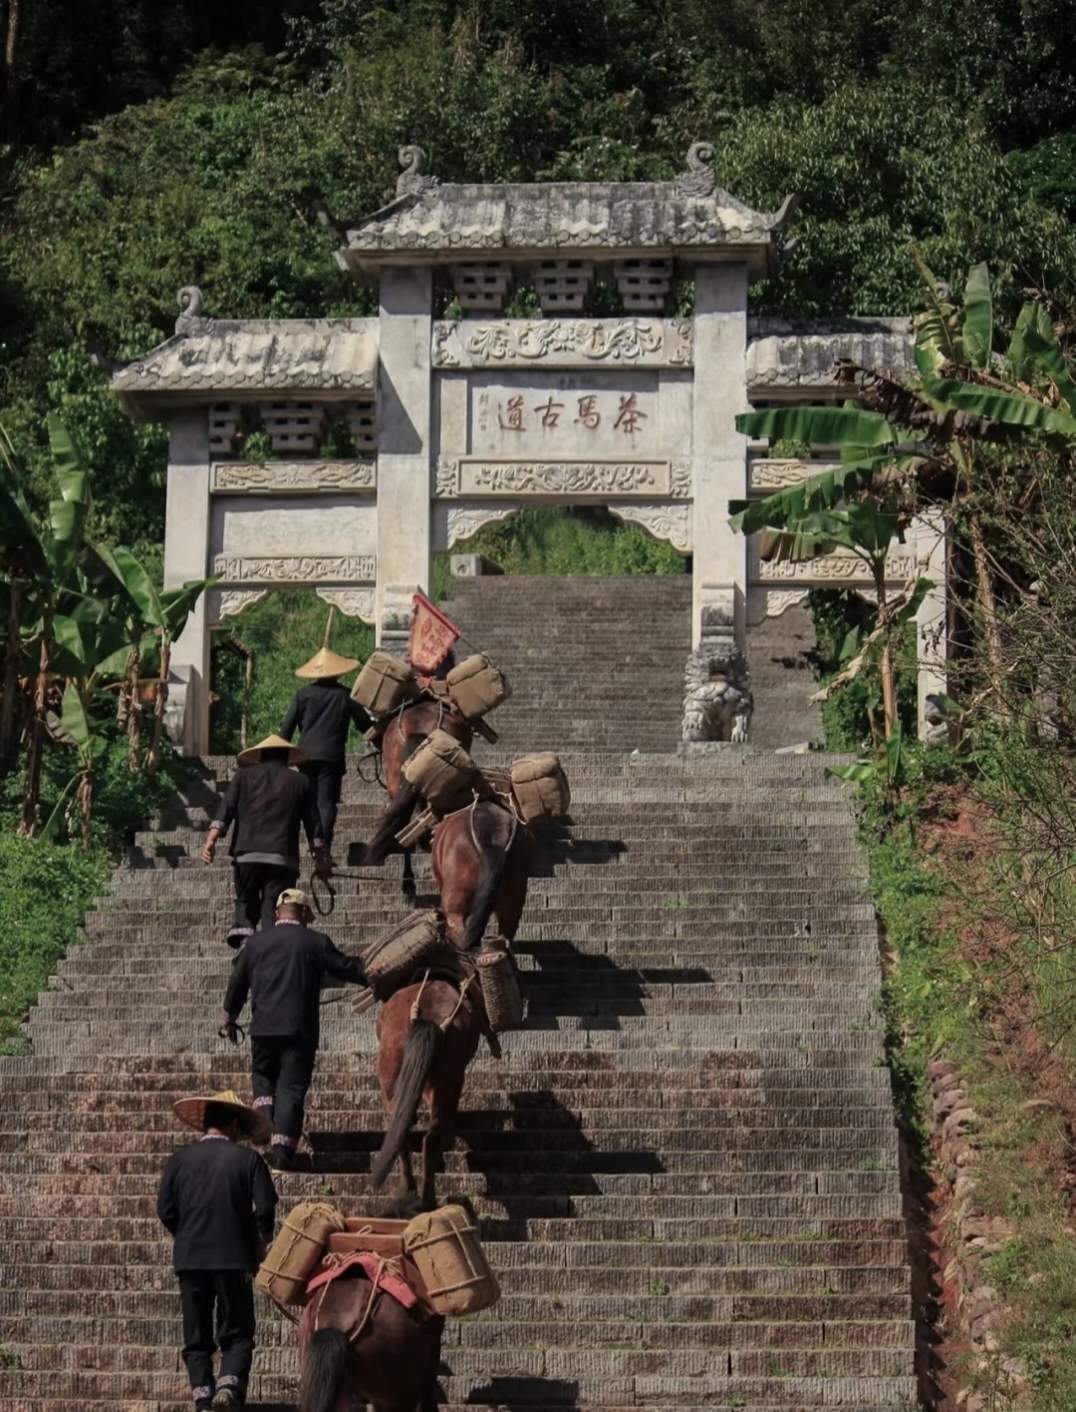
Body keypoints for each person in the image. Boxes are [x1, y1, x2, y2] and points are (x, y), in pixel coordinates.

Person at [220, 888, 367, 1171]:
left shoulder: (255, 944)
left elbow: (237, 982)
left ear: (277, 914)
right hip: (299, 1031)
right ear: (303, 914)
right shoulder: (316, 942)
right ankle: (282, 1152)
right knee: (290, 1089)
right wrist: (374, 974)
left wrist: (229, 1017)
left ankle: (264, 1115)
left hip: (262, 1029)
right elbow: (346, 968)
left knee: (263, 1077)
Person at [157, 1088, 277, 1411]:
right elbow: (265, 1207)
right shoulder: (248, 1160)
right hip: (234, 1259)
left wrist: (187, 1234)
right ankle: (229, 1386)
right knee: (237, 1331)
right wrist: (260, 1240)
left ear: (205, 1124)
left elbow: (165, 1209)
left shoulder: (179, 1161)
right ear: (234, 1125)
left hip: (190, 1261)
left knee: (196, 1335)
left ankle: (203, 1398)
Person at [202, 734, 329, 949]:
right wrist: (321, 858)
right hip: (282, 859)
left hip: (247, 855)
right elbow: (313, 825)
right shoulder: (301, 782)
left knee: (245, 904)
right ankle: (270, 949)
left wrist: (211, 840)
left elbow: (226, 810)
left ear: (260, 756)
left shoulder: (243, 777)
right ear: (287, 757)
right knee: (273, 908)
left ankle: (246, 944)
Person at [280, 646, 373, 857]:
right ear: (338, 672)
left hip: (305, 756)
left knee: (308, 803)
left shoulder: (302, 695)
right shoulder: (345, 695)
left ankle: (313, 842)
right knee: (326, 804)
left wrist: (279, 757)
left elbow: (286, 730)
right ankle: (324, 847)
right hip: (331, 757)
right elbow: (365, 725)